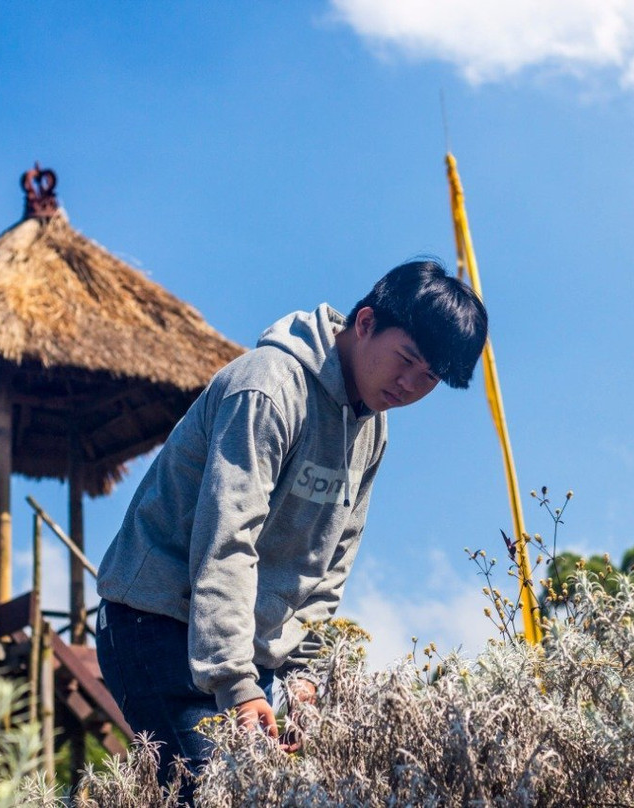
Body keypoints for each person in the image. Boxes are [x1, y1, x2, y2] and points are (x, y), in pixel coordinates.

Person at [94, 259, 488, 789]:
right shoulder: (267, 388)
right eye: (407, 359)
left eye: (431, 378)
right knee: (226, 795)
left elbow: (329, 567)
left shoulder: (372, 429)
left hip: (249, 650)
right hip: (156, 622)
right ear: (366, 323)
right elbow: (227, 540)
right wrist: (237, 684)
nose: (411, 385)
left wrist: (303, 676)